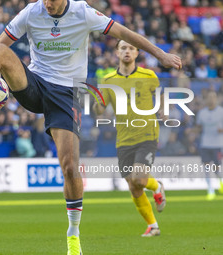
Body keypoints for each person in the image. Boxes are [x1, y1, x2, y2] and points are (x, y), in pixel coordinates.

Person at [0, 1, 181, 253]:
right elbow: (0, 45)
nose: (48, 4)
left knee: (70, 167)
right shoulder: (32, 11)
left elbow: (124, 33)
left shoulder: (83, 12)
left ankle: (73, 234)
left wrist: (160, 54)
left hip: (66, 94)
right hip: (35, 84)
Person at [93, 40, 166, 237]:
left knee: (139, 179)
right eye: (123, 48)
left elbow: (160, 93)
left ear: (136, 53)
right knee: (134, 187)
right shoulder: (108, 80)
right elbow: (100, 108)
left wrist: (162, 108)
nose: (127, 51)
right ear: (117, 53)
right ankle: (153, 225)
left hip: (147, 134)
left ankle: (157, 186)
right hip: (124, 138)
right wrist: (95, 103)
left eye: (131, 48)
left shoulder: (148, 75)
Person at [195, 90, 223, 200]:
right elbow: (198, 127)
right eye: (209, 97)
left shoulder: (221, 111)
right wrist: (192, 131)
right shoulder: (202, 113)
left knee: (216, 168)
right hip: (205, 144)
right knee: (206, 167)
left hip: (217, 144)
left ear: (216, 99)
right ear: (206, 100)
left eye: (213, 97)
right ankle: (210, 190)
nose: (211, 99)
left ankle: (220, 181)